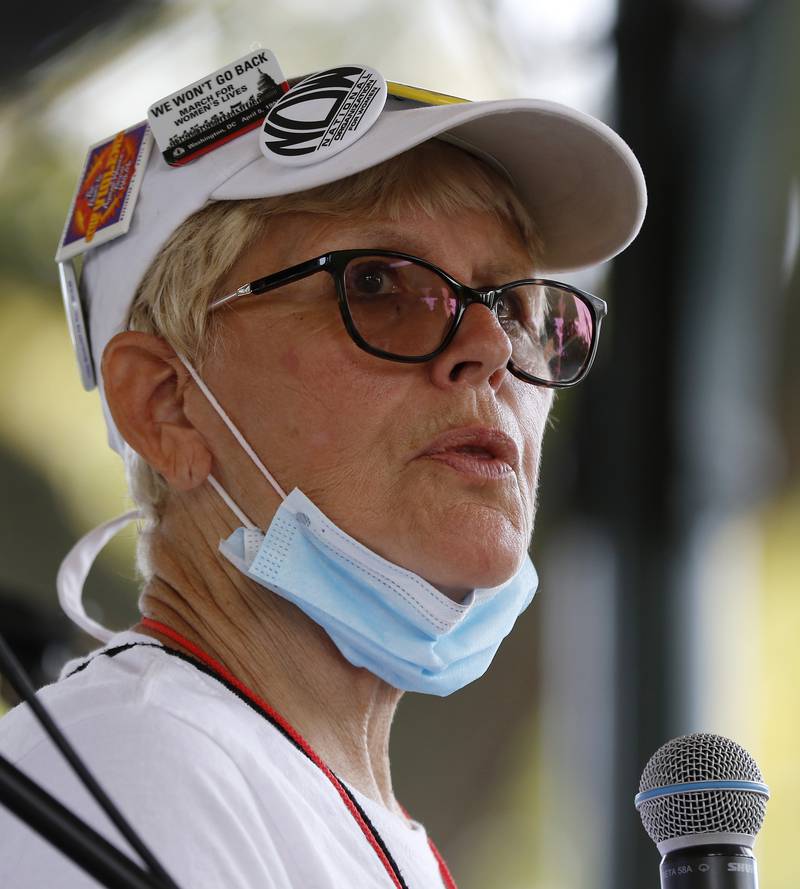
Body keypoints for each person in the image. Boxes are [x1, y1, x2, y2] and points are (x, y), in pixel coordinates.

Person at [0, 59, 645, 888]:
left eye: (516, 305)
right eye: (378, 284)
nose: (489, 347)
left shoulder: (325, 805)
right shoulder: (118, 773)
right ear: (166, 404)